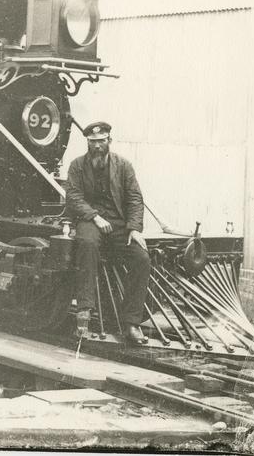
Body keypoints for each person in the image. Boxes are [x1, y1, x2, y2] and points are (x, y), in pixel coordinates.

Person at [64, 121, 152, 345]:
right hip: (89, 220)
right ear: (88, 143)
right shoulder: (77, 166)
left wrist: (134, 228)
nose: (97, 146)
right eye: (92, 142)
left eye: (101, 141)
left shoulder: (123, 166)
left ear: (109, 141)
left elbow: (134, 198)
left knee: (141, 258)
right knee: (87, 245)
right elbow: (73, 197)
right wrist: (94, 216)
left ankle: (131, 322)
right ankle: (84, 312)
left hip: (117, 223)